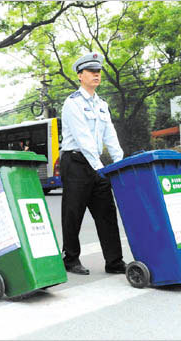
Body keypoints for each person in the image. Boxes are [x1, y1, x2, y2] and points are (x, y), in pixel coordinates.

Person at [60, 52, 127, 275]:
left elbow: (110, 135)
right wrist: (99, 167)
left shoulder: (101, 104)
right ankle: (70, 259)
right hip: (76, 161)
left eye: (98, 71)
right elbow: (83, 139)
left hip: (96, 163)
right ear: (80, 75)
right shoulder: (73, 103)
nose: (96, 75)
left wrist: (120, 163)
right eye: (91, 71)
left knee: (107, 212)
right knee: (73, 212)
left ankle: (114, 261)